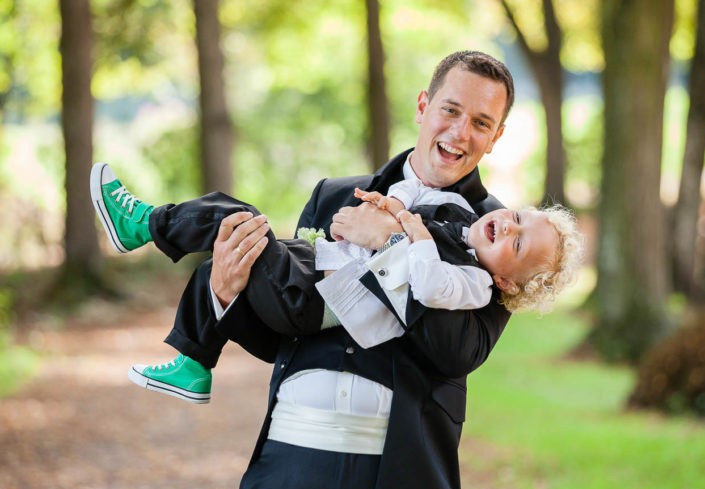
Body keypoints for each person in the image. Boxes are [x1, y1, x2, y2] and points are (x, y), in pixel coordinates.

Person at [109, 50, 545, 489]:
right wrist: (228, 293)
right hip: (289, 466)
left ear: (497, 136)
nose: (461, 132)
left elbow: (456, 349)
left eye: (482, 122)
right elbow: (287, 329)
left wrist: (390, 241)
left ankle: (146, 225)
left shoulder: (503, 240)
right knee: (242, 226)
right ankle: (155, 243)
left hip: (401, 484)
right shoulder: (334, 195)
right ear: (423, 106)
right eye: (451, 109)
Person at [91, 163, 582, 401]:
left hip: (315, 303)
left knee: (239, 219)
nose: (508, 227)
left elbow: (429, 287)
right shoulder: (457, 213)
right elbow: (406, 204)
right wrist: (391, 210)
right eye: (517, 218)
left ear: (509, 282)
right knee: (219, 258)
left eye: (517, 246)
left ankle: (144, 224)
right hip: (313, 265)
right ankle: (193, 362)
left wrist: (403, 235)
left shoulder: (475, 283)